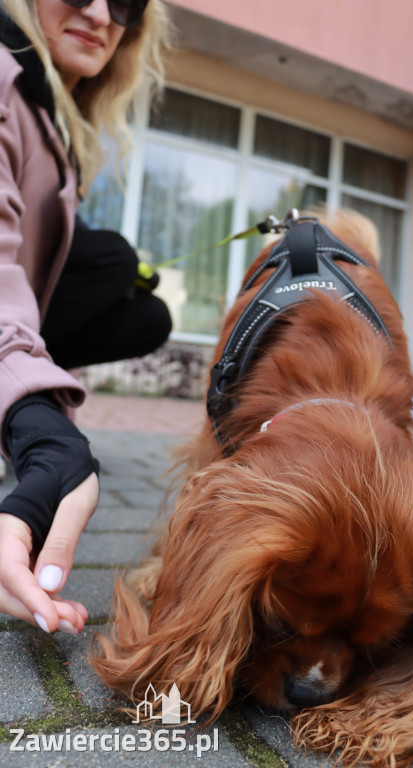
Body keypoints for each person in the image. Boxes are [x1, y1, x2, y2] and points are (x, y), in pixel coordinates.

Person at [0, 0, 172, 634]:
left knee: (144, 311)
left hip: (20, 316)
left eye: (125, 2)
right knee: (114, 258)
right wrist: (44, 433)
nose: (100, 12)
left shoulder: (60, 120)